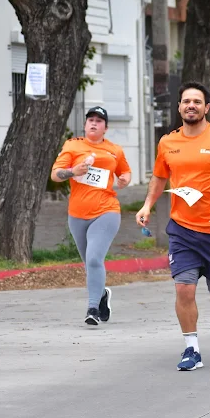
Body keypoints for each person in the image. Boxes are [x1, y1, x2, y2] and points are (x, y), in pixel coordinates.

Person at [135, 81, 210, 371]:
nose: (191, 106)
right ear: (179, 107)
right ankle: (192, 349)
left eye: (197, 102)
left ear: (206, 107)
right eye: (186, 101)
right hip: (182, 230)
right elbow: (159, 177)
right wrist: (147, 205)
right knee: (184, 289)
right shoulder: (167, 142)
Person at [51, 106, 132, 325]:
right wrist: (73, 171)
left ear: (106, 127)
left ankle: (92, 309)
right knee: (89, 264)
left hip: (106, 211)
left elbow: (125, 171)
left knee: (95, 258)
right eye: (90, 120)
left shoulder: (115, 150)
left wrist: (124, 179)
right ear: (85, 125)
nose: (94, 123)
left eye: (99, 120)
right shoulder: (72, 145)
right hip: (77, 214)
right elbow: (56, 174)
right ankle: (102, 294)